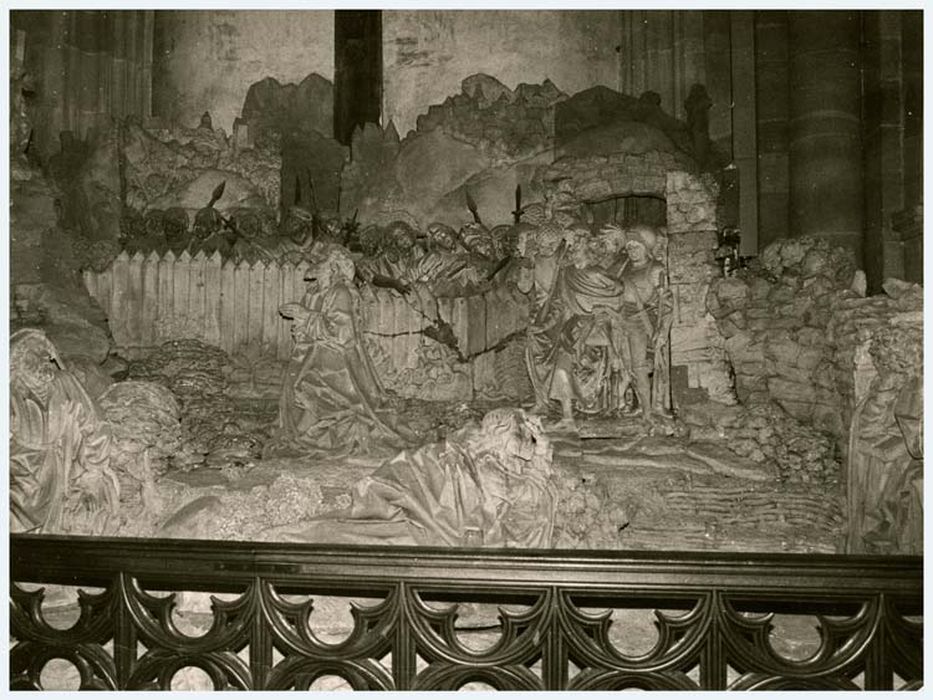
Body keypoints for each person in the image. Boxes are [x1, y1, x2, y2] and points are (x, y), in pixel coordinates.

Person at [262, 408, 557, 548]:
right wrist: (542, 455)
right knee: (364, 538)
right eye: (523, 437)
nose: (525, 446)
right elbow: (528, 502)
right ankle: (290, 537)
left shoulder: (478, 457)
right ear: (507, 437)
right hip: (431, 525)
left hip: (423, 518)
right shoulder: (490, 467)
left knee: (366, 537)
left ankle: (291, 536)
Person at [269, 243, 414, 457]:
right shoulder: (319, 291)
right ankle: (304, 431)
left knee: (308, 383)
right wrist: (300, 325)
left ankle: (311, 433)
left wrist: (305, 316)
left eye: (320, 264)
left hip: (338, 361)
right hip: (320, 353)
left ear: (334, 268)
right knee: (298, 382)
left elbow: (341, 333)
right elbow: (311, 325)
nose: (315, 268)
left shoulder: (341, 292)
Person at [10, 329, 119, 534]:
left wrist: (92, 472)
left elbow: (95, 425)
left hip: (61, 470)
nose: (44, 358)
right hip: (20, 473)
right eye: (36, 353)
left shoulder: (63, 382)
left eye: (46, 353)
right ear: (19, 358)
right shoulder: (10, 392)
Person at [606, 224, 674, 420]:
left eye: (637, 246)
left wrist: (662, 330)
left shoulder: (655, 269)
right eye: (630, 247)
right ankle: (637, 403)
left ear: (646, 247)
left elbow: (667, 303)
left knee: (638, 367)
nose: (632, 251)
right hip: (621, 321)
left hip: (641, 323)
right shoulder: (623, 267)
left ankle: (647, 411)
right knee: (627, 368)